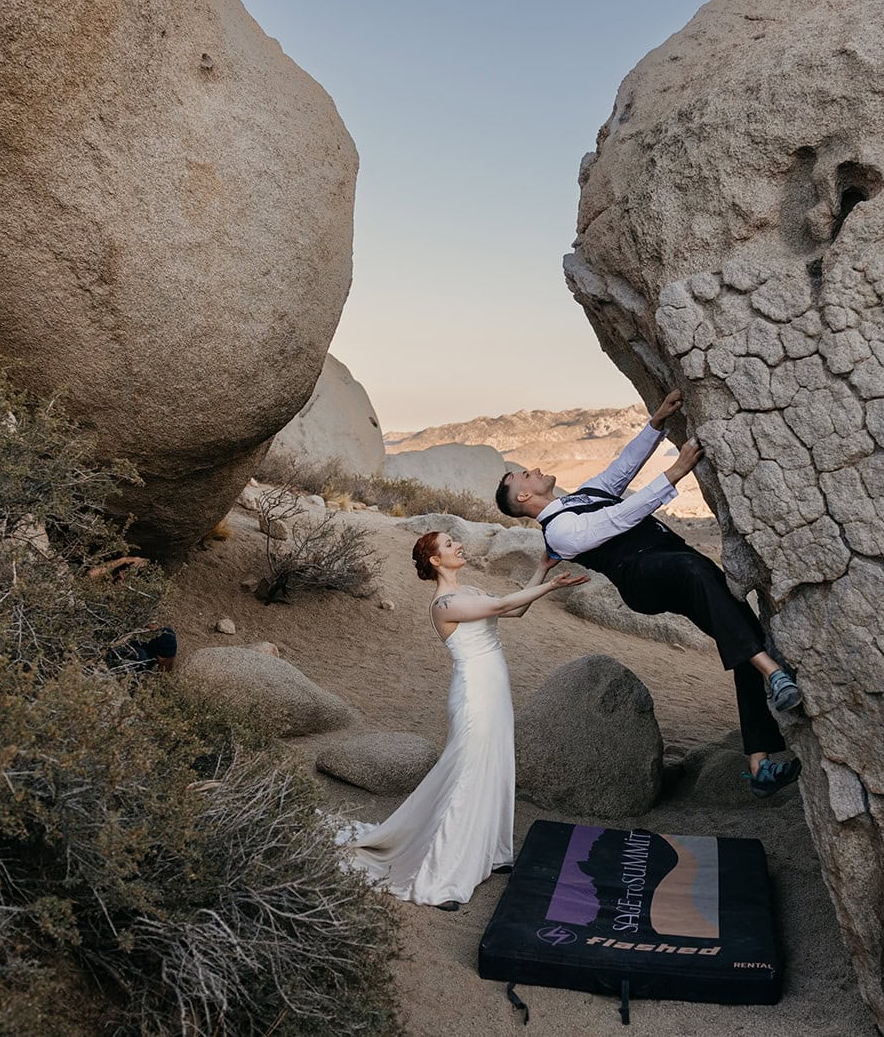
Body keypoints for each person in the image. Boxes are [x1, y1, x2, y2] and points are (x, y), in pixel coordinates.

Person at [493, 390, 802, 798]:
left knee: (739, 628)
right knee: (697, 575)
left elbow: (622, 468)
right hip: (643, 575)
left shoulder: (581, 495)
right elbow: (620, 517)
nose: (532, 469)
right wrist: (676, 473)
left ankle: (759, 763)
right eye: (523, 475)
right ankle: (775, 674)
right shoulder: (560, 530)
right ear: (524, 498)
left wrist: (655, 424)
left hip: (671, 558)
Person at [340, 531, 587, 910]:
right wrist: (550, 584)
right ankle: (439, 878)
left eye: (456, 541)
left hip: (495, 688)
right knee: (468, 772)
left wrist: (541, 571)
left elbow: (513, 610)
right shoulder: (445, 603)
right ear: (436, 561)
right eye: (450, 544)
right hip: (473, 692)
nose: (458, 546)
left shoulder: (469, 588)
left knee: (495, 763)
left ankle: (494, 853)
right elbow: (503, 603)